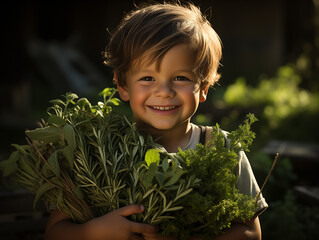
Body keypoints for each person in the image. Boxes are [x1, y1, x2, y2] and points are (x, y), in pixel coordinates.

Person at [44, 2, 268, 240]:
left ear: (203, 87)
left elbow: (250, 232)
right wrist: (95, 231)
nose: (164, 91)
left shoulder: (222, 148)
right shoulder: (98, 151)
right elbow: (55, 232)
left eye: (180, 78)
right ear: (122, 84)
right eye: (147, 78)